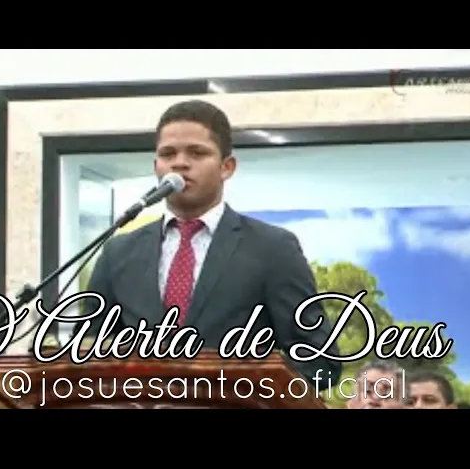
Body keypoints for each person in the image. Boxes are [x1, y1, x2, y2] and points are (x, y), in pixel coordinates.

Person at [76, 99, 340, 386]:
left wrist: (247, 385)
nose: (179, 163)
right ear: (156, 166)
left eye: (197, 153)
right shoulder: (118, 252)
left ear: (227, 167)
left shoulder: (273, 249)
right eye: (168, 154)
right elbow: (87, 353)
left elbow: (320, 363)